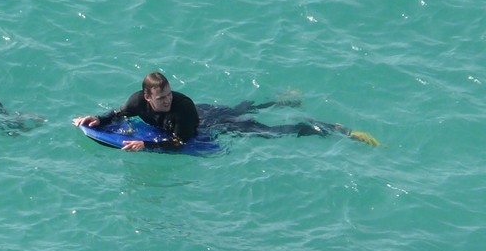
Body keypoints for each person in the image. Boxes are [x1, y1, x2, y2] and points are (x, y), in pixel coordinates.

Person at [72, 72, 380, 151]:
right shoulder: (136, 101)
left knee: (263, 130)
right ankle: (280, 101)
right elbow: (118, 114)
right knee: (238, 108)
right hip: (200, 117)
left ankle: (326, 128)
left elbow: (180, 143)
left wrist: (147, 145)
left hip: (198, 124)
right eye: (161, 97)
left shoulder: (182, 108)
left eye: (168, 94)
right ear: (147, 97)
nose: (167, 99)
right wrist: (97, 119)